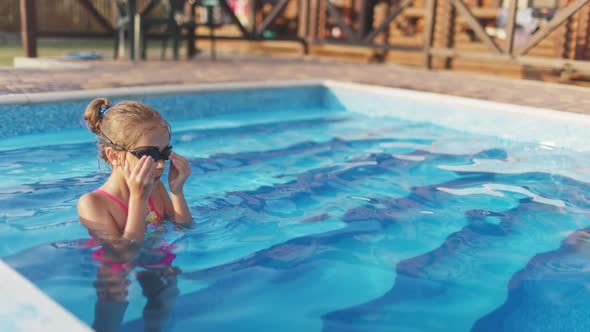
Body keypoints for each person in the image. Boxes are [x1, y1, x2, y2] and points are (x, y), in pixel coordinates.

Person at [77, 97, 193, 331]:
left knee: (167, 290)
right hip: (117, 268)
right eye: (147, 154)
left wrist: (177, 192)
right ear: (113, 155)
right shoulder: (94, 203)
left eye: (164, 153)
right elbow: (124, 253)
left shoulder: (157, 188)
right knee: (114, 294)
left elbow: (185, 228)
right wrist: (138, 197)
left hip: (155, 257)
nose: (159, 165)